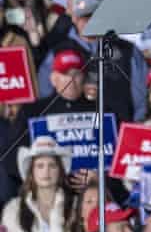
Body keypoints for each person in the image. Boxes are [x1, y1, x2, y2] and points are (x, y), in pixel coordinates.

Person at [39, 0, 148, 122]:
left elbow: (141, 96)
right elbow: (44, 93)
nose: (88, 22)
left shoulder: (127, 50)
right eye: (83, 17)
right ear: (74, 18)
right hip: (74, 129)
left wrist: (136, 125)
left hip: (119, 129)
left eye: (93, 15)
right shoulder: (58, 51)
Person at [6, 48, 95, 181]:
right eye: (65, 74)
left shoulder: (100, 110)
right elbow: (11, 157)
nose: (71, 80)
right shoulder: (33, 111)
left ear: (84, 78)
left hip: (93, 187)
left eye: (76, 74)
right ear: (53, 78)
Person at [2, 137, 73, 232]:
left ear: (60, 171)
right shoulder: (13, 210)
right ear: (31, 172)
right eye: (40, 166)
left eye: (52, 165)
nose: (46, 171)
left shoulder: (75, 205)